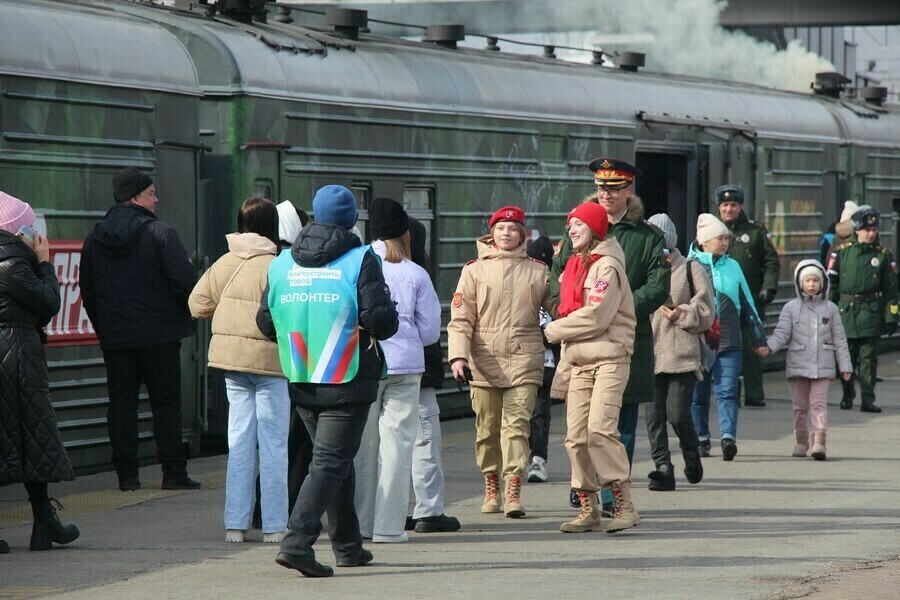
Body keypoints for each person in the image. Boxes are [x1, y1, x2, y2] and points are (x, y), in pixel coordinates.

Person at [258, 184, 398, 577]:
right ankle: (297, 542)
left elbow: (266, 321)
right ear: (352, 219)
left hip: (301, 377)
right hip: (346, 378)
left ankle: (348, 546)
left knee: (335, 462)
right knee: (329, 463)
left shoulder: (282, 262)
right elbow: (380, 321)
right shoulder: (359, 259)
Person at [550, 158, 670, 515]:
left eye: (615, 188)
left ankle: (612, 497)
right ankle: (587, 490)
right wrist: (568, 312)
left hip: (625, 340)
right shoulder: (577, 231)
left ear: (629, 191)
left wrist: (620, 305)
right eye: (602, 187)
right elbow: (557, 279)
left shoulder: (648, 237)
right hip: (581, 339)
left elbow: (658, 287)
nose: (607, 193)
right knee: (579, 426)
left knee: (619, 424)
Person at [80, 167, 200, 492]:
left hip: (117, 340)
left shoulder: (94, 239)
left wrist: (107, 327)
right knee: (166, 404)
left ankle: (127, 476)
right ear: (134, 197)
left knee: (121, 406)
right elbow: (184, 283)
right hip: (160, 337)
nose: (156, 199)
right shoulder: (160, 234)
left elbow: (87, 291)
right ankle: (173, 472)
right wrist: (179, 316)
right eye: (151, 193)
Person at [189, 197, 289, 543]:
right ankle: (275, 527)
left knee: (240, 443)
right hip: (270, 365)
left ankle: (235, 526)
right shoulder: (279, 265)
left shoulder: (224, 262)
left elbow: (196, 303)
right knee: (274, 445)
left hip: (231, 364)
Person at [447, 206, 553, 519]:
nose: (506, 233)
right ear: (491, 234)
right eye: (500, 228)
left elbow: (559, 310)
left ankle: (513, 489)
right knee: (487, 429)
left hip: (524, 358)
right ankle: (491, 484)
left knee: (517, 428)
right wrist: (457, 356)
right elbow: (461, 317)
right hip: (483, 360)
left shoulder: (538, 271)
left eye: (512, 228)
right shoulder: (474, 270)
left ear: (522, 234)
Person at [544, 201, 639, 533]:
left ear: (596, 229)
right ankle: (589, 508)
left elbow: (598, 316)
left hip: (610, 358)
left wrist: (554, 330)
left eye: (578, 225)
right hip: (579, 360)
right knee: (575, 438)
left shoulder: (606, 266)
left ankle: (624, 506)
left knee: (600, 430)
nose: (571, 230)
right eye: (569, 225)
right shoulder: (575, 264)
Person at [354, 197, 441, 543]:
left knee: (365, 446)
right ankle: (389, 528)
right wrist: (405, 339)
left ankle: (362, 524)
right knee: (399, 445)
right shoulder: (415, 272)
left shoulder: (356, 265)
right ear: (404, 231)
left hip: (366, 363)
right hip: (406, 367)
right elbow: (432, 331)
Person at [0, 191, 80, 553]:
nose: (36, 233)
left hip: (13, 355)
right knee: (31, 437)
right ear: (18, 232)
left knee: (25, 440)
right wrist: (45, 263)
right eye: (30, 227)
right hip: (16, 358)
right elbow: (49, 302)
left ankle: (45, 524)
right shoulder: (11, 263)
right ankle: (44, 524)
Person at [644, 214, 715, 491]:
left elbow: (707, 311)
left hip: (681, 354)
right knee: (653, 419)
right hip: (649, 354)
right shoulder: (641, 268)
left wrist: (681, 313)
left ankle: (690, 451)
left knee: (677, 415)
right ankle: (663, 469)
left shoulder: (690, 268)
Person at [689, 214, 767, 460]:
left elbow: (747, 303)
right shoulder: (689, 265)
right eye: (719, 238)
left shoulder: (733, 265)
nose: (724, 243)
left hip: (730, 341)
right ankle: (701, 438)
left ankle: (727, 438)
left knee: (727, 392)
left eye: (726, 238)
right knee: (698, 396)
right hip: (698, 342)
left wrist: (759, 338)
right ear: (704, 241)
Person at [758, 261, 852, 460]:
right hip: (798, 364)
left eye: (816, 280)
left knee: (818, 403)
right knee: (800, 406)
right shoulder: (791, 308)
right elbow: (782, 333)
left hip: (823, 364)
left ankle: (819, 443)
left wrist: (845, 365)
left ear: (823, 283)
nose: (811, 284)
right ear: (799, 283)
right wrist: (769, 347)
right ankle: (801, 442)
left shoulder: (831, 309)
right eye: (807, 280)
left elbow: (840, 339)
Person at [404, 216, 461, 534]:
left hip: (378, 370)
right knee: (424, 440)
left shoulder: (370, 267)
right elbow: (429, 331)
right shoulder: (418, 274)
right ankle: (428, 511)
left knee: (389, 443)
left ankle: (390, 510)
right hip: (418, 371)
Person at [826, 207, 900, 413]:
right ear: (856, 230)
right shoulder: (842, 253)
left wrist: (892, 315)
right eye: (867, 229)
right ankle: (847, 394)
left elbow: (891, 290)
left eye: (874, 229)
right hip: (846, 313)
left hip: (871, 313)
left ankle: (868, 399)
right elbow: (832, 286)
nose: (871, 233)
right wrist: (828, 313)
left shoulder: (883, 256)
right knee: (845, 358)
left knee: (868, 360)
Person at [716, 184, 780, 408]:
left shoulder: (755, 231)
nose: (729, 209)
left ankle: (754, 392)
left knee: (753, 346)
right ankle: (730, 391)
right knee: (725, 345)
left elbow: (771, 261)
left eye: (733, 205)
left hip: (750, 298)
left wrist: (769, 288)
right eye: (725, 205)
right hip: (722, 300)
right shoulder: (712, 230)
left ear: (740, 206)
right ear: (719, 207)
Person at [524, 235, 559, 484]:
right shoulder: (526, 285)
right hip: (526, 359)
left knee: (539, 411)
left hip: (547, 362)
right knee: (528, 413)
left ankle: (537, 459)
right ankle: (531, 458)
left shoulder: (556, 287)